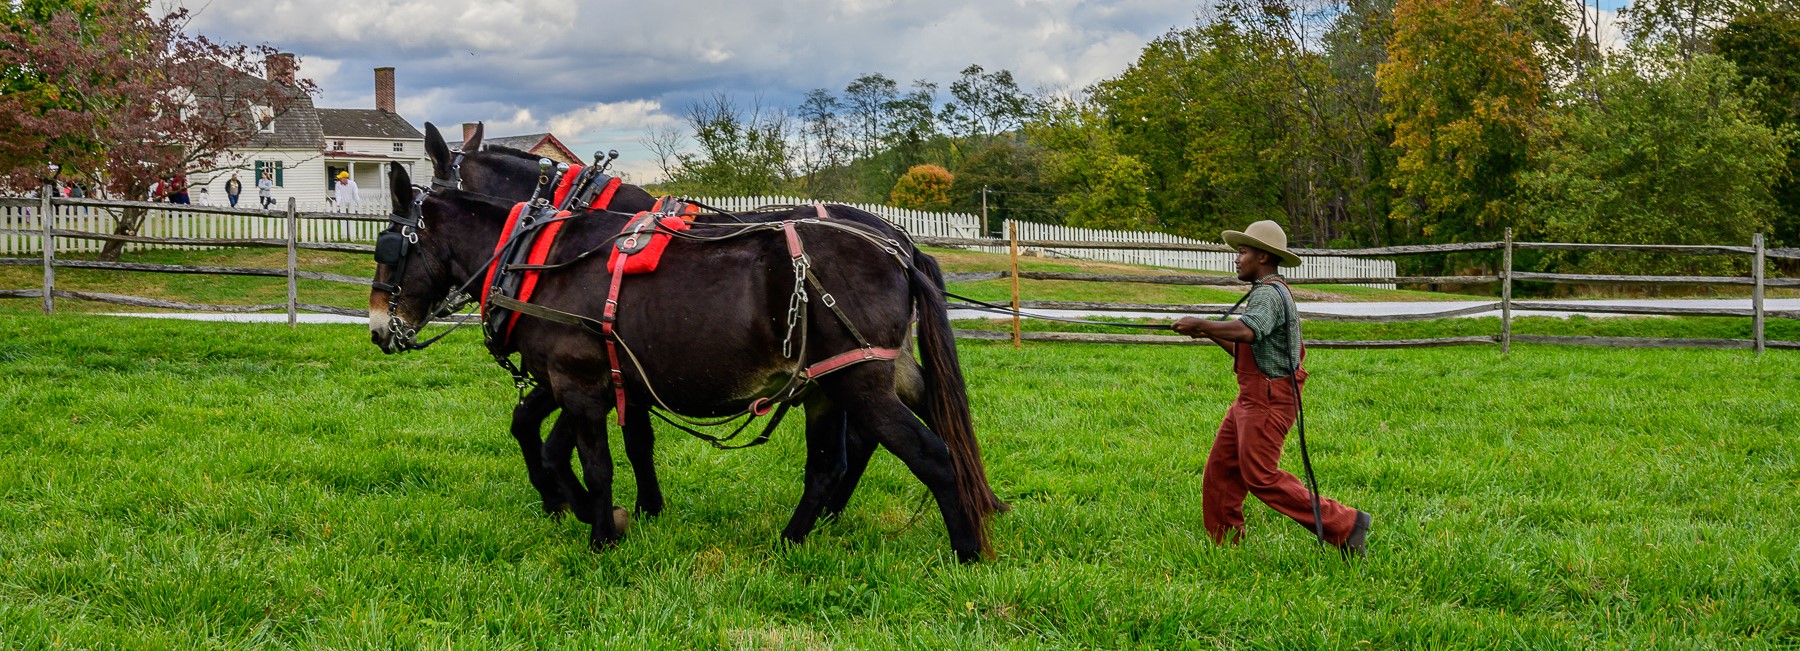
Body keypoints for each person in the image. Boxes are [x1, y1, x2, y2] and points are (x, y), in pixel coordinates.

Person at [1172, 220, 1371, 557]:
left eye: (1243, 252)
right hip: (1251, 396)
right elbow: (1246, 348)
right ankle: (1224, 547)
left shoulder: (1268, 293)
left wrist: (1201, 323)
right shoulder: (1267, 291)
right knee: (1221, 470)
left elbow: (1250, 331)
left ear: (1262, 256)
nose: (1237, 259)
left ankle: (1346, 524)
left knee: (1261, 477)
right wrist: (1209, 333)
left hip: (1267, 398)